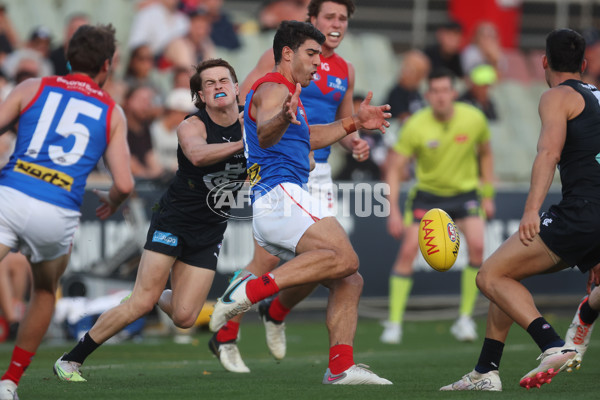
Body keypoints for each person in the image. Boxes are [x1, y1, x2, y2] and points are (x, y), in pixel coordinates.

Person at [209, 20, 392, 385]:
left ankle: (340, 367)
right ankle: (249, 292)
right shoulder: (275, 87)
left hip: (281, 201)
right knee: (347, 257)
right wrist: (281, 117)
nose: (318, 63)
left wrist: (354, 121)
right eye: (312, 55)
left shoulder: (291, 96)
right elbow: (265, 128)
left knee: (348, 279)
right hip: (281, 196)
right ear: (288, 53)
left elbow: (310, 137)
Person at [53, 58, 249, 381]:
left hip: (210, 229)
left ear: (237, 87)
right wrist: (247, 145)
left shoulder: (251, 125)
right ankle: (70, 360)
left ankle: (154, 291)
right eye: (210, 83)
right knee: (140, 303)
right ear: (200, 95)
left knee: (185, 318)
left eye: (223, 81)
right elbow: (198, 154)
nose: (218, 87)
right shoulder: (192, 125)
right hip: (174, 221)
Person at [441, 28, 598, 391]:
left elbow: (548, 153)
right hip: (595, 214)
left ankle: (552, 344)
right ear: (584, 64)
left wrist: (532, 210)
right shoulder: (597, 97)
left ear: (544, 61)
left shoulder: (557, 95)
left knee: (489, 277)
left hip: (581, 209)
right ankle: (485, 371)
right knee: (507, 276)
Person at [0, 24, 134, 400]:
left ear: (70, 58)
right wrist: (113, 200)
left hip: (12, 193)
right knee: (44, 290)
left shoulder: (32, 87)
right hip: (57, 212)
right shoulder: (112, 111)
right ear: (106, 65)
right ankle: (9, 383)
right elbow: (124, 184)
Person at [380, 67, 495, 345]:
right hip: (428, 196)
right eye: (435, 91)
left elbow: (486, 155)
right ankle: (394, 323)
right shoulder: (415, 125)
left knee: (479, 247)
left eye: (445, 90)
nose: (441, 96)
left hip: (465, 193)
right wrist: (393, 209)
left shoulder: (474, 118)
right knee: (407, 251)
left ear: (454, 93)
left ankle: (464, 319)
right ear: (428, 95)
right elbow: (394, 167)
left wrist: (488, 194)